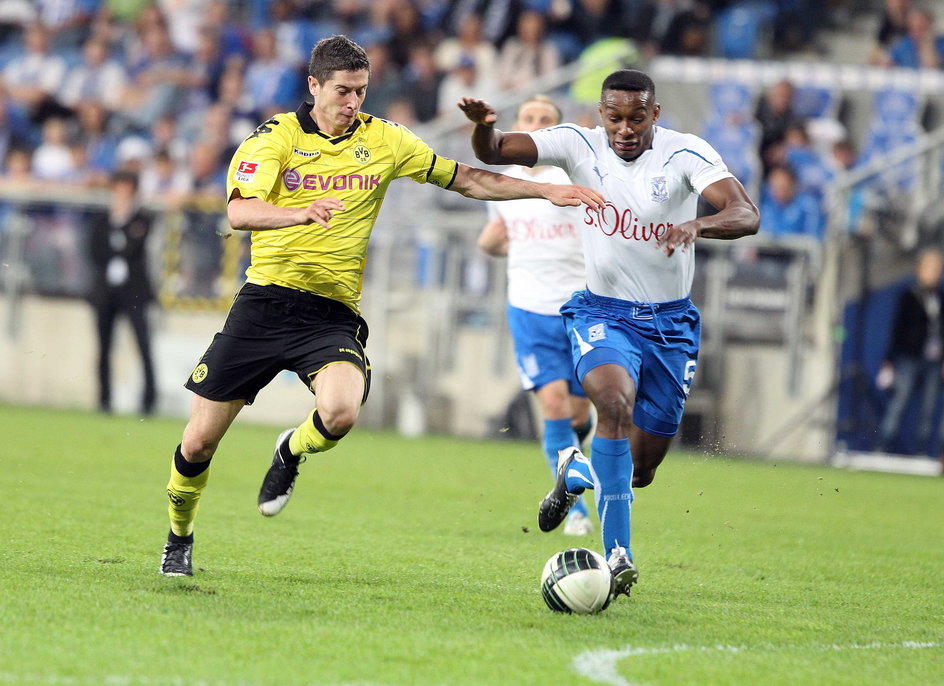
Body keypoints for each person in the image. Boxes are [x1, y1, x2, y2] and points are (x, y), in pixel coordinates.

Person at [159, 34, 605, 577]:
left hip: (330, 312)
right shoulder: (273, 138)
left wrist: (542, 191)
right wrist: (297, 214)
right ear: (313, 86)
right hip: (263, 305)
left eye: (361, 92)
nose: (353, 103)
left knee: (341, 412)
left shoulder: (386, 140)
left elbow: (463, 178)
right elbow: (240, 213)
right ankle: (178, 538)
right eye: (343, 91)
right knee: (200, 441)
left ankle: (290, 452)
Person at [458, 68, 759, 599]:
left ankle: (577, 470)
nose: (624, 128)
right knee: (613, 406)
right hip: (604, 311)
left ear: (655, 114)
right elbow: (499, 149)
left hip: (670, 324)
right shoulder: (577, 144)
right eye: (615, 117)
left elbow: (745, 213)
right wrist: (483, 128)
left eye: (636, 117)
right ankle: (619, 553)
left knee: (640, 470)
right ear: (601, 114)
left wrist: (697, 225)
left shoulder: (685, 154)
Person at [476, 95, 594, 537]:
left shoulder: (575, 178)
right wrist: (490, 245)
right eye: (528, 118)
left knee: (580, 414)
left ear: (556, 131)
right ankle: (573, 507)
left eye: (545, 120)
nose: (535, 125)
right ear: (518, 126)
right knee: (554, 406)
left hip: (580, 307)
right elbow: (500, 238)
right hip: (528, 307)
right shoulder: (502, 183)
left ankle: (570, 465)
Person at [86, 170, 157, 415]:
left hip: (134, 291)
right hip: (106, 292)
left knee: (143, 345)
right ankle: (104, 400)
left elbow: (135, 246)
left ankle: (149, 401)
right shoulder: (102, 220)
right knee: (104, 347)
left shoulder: (142, 218)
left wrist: (122, 239)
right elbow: (95, 251)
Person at [876, 248, 944, 456]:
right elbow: (898, 329)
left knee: (928, 408)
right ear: (920, 270)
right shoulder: (909, 295)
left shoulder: (940, 298)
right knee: (899, 403)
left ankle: (921, 451)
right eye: (931, 268)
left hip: (932, 360)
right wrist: (889, 359)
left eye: (938, 269)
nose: (935, 273)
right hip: (910, 358)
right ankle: (883, 446)